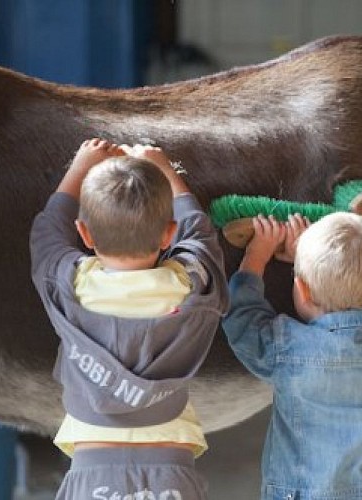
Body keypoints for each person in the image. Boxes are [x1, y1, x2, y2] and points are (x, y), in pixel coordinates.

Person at [30, 138, 228, 500]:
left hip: (92, 469)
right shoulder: (188, 286)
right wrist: (167, 170)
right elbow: (200, 235)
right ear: (168, 234)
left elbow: (47, 233)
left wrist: (79, 167)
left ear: (85, 234)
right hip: (173, 468)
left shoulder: (70, 284)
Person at [222, 212, 362, 500]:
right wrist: (309, 263)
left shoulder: (289, 349)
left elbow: (242, 320)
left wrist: (257, 256)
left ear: (301, 290)